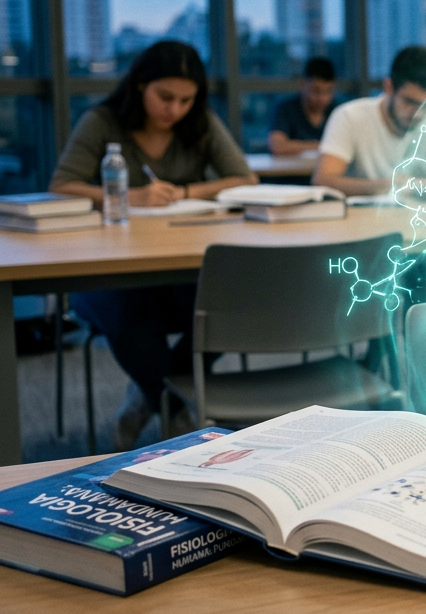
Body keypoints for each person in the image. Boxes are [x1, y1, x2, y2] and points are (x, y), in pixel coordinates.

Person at [50, 40, 258, 448]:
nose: (174, 110)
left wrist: (183, 192)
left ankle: (149, 400)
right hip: (105, 272)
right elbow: (61, 187)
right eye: (165, 97)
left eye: (185, 99)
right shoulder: (103, 122)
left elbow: (244, 180)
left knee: (230, 306)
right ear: (140, 84)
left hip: (177, 265)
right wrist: (128, 197)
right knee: (133, 313)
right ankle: (174, 410)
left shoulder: (198, 122)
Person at [313, 46, 426, 197]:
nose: (418, 113)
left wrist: (417, 185)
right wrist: (388, 185)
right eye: (410, 102)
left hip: (420, 218)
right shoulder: (349, 116)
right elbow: (323, 180)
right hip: (364, 219)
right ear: (388, 87)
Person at [267, 56, 339, 155]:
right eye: (316, 91)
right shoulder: (286, 108)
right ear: (303, 84)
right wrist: (323, 145)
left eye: (328, 91)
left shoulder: (338, 111)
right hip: (292, 169)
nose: (322, 98)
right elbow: (277, 146)